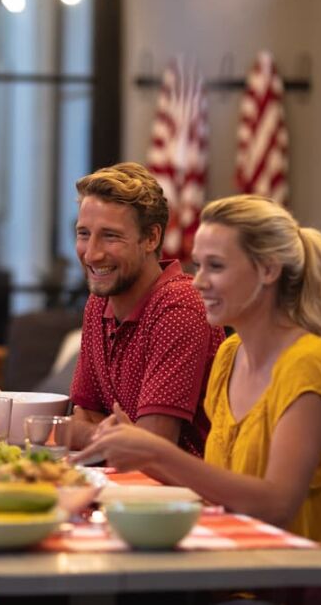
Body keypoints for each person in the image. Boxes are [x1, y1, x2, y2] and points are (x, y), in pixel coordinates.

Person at [74, 195, 321, 604]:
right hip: (232, 574)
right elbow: (218, 491)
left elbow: (276, 505)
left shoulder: (311, 364)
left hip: (304, 591)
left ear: (268, 270)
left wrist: (155, 454)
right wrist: (138, 450)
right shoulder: (229, 359)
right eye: (198, 265)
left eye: (215, 266)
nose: (197, 282)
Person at [68, 163, 224, 453]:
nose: (91, 253)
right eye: (84, 233)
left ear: (151, 238)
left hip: (181, 494)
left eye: (110, 236)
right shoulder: (97, 302)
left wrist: (88, 433)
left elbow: (151, 447)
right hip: (120, 486)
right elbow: (79, 418)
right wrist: (111, 435)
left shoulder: (180, 305)